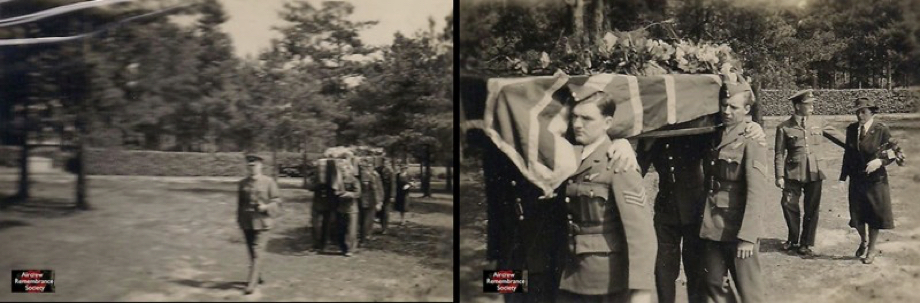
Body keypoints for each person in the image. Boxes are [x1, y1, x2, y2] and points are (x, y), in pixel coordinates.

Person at [557, 85, 657, 303]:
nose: (577, 124)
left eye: (586, 118)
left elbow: (641, 234)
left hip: (605, 282)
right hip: (567, 277)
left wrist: (641, 291)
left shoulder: (619, 164)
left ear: (608, 123)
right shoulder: (567, 158)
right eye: (574, 117)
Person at [698, 77, 766, 303]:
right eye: (724, 105)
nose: (726, 111)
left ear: (747, 109)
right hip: (713, 225)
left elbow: (756, 192)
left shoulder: (752, 139)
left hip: (738, 227)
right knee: (713, 283)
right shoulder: (714, 133)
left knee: (750, 292)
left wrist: (748, 236)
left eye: (733, 107)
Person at [773, 89, 846, 256]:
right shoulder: (784, 127)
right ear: (798, 106)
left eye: (813, 103)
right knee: (788, 204)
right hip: (793, 172)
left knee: (811, 208)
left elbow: (841, 139)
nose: (812, 107)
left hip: (815, 171)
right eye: (808, 104)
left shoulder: (818, 122)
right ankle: (793, 239)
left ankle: (806, 242)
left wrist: (859, 146)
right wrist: (779, 176)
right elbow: (779, 153)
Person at [838, 97, 898, 264]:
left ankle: (871, 250)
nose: (860, 115)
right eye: (857, 112)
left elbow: (895, 152)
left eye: (863, 111)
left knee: (873, 216)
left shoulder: (881, 129)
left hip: (875, 180)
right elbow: (847, 156)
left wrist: (880, 161)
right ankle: (863, 241)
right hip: (857, 179)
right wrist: (843, 178)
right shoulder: (851, 130)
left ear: (872, 112)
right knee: (856, 215)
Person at [237, 154, 283, 295]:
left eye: (254, 165)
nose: (252, 168)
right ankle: (258, 276)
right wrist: (239, 219)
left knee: (257, 252)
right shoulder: (243, 183)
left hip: (263, 222)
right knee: (252, 251)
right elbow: (240, 204)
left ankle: (251, 284)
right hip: (247, 222)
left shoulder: (269, 182)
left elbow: (277, 200)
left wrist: (266, 207)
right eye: (249, 166)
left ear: (261, 166)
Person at [335, 155, 361, 257]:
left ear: (349, 170)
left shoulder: (354, 180)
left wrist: (346, 194)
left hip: (351, 208)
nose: (342, 172)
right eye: (341, 170)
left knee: (351, 230)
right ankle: (343, 248)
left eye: (344, 169)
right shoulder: (338, 181)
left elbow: (358, 193)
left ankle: (350, 249)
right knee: (341, 229)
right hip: (341, 208)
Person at [311, 159, 336, 253]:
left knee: (326, 224)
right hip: (318, 202)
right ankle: (316, 244)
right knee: (316, 224)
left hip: (328, 202)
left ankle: (323, 245)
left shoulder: (333, 176)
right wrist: (318, 183)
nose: (322, 169)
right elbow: (310, 186)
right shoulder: (315, 175)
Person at [358, 157, 384, 245]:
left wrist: (380, 200)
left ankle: (367, 235)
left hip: (370, 200)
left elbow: (379, 188)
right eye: (368, 165)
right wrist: (378, 202)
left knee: (369, 219)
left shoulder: (374, 174)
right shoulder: (366, 175)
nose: (370, 167)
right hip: (368, 201)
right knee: (366, 220)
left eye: (371, 165)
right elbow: (374, 189)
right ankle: (364, 239)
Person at [376, 157, 395, 234]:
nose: (385, 164)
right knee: (380, 211)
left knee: (386, 212)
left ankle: (385, 228)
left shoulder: (391, 172)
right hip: (379, 193)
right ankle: (382, 226)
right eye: (384, 162)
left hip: (387, 194)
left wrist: (392, 195)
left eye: (387, 163)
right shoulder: (377, 170)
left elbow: (393, 184)